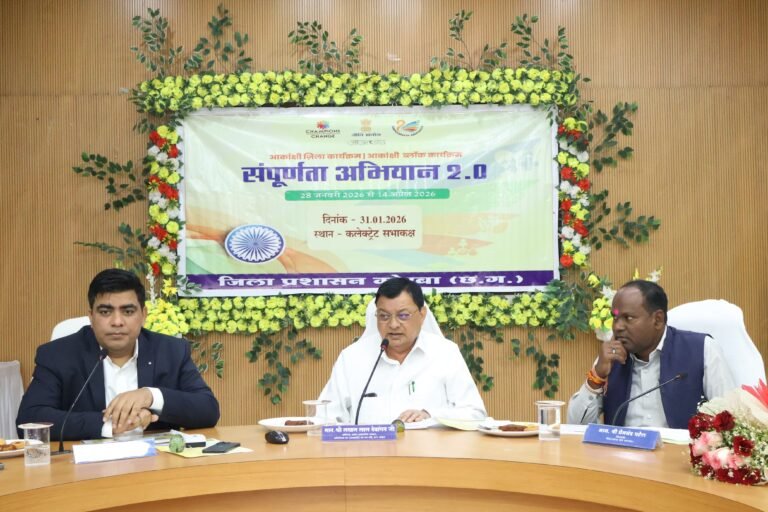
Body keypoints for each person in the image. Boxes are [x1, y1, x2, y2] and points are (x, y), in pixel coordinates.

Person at [17, 269, 220, 440]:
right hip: (86, 468)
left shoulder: (171, 350)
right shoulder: (58, 355)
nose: (117, 322)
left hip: (155, 465)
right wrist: (111, 425)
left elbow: (208, 410)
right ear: (91, 316)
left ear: (143, 315)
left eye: (128, 311)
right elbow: (29, 420)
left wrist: (150, 396)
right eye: (105, 312)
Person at [567, 280, 736, 429]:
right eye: (615, 318)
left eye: (628, 318)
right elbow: (575, 425)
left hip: (680, 454)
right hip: (621, 453)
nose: (617, 327)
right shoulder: (611, 357)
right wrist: (597, 376)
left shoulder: (703, 349)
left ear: (658, 320)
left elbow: (730, 420)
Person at [319, 277, 487, 424]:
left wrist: (431, 415)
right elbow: (325, 416)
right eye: (384, 316)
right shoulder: (352, 357)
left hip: (430, 450)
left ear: (422, 314)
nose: (393, 325)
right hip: (369, 450)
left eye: (403, 315)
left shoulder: (445, 353)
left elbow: (475, 413)